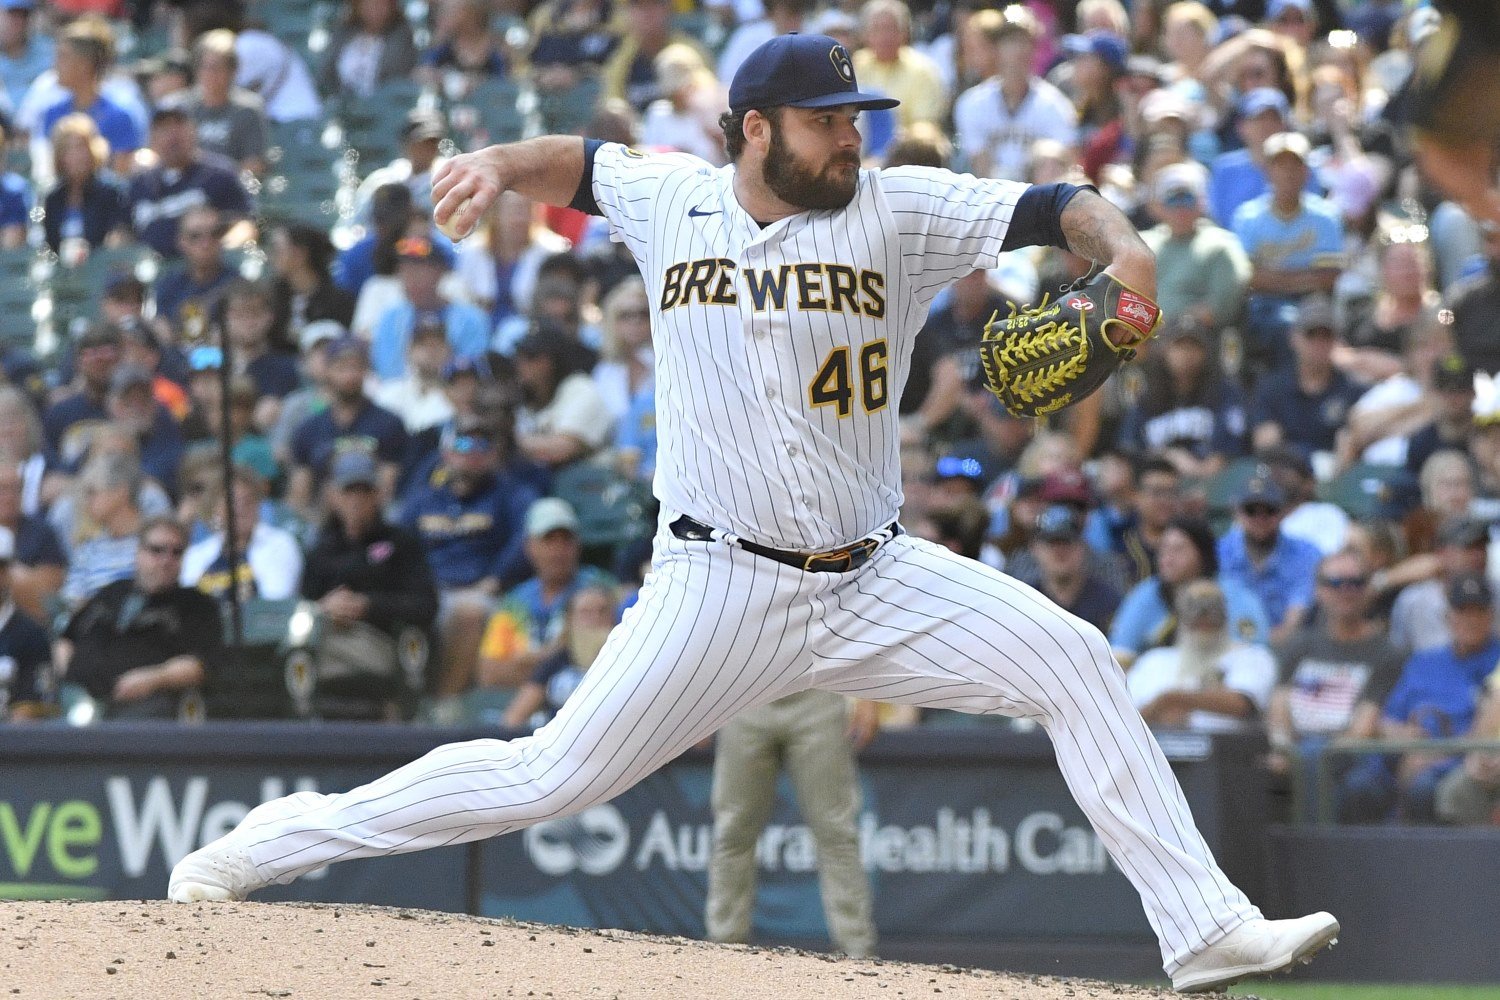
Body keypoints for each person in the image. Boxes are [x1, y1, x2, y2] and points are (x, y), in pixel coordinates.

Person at [170, 34, 1339, 992]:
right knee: (546, 777)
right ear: (755, 130)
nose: (853, 134)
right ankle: (264, 848)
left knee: (1076, 658)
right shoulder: (667, 194)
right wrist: (484, 158)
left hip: (875, 576)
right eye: (830, 118)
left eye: (857, 116)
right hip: (718, 585)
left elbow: (1056, 204)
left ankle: (1203, 929)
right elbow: (568, 159)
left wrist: (1126, 247)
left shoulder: (900, 208)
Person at [706, 688, 881, 958]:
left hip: (817, 693)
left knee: (836, 831)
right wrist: (699, 702)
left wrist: (868, 697)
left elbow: (862, 642)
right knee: (732, 830)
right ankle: (722, 946)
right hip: (746, 694)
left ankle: (857, 950)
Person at [400, 417, 544, 696]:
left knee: (468, 611)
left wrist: (497, 578)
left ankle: (446, 704)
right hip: (429, 590)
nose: (473, 451)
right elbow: (400, 544)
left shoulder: (508, 494)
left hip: (482, 590)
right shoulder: (424, 499)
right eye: (464, 442)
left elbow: (527, 535)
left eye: (483, 444)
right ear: (446, 452)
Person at [1344, 572, 1500, 824]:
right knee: (1359, 785)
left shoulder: (1496, 662)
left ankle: (1427, 863)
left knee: (1424, 788)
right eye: (1462, 611)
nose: (1470, 620)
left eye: (1478, 612)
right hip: (1405, 752)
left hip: (1458, 758)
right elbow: (1385, 720)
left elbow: (1484, 731)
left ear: (1491, 616)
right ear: (1448, 617)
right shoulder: (1424, 661)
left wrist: (1436, 755)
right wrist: (1398, 733)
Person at [1268, 548, 1404, 823]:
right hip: (1296, 751)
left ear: (1369, 590)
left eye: (1356, 583)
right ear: (1318, 590)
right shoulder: (1300, 645)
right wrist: (1282, 748)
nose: (1346, 591)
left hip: (1350, 758)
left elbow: (1364, 728)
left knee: (1350, 781)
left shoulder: (1386, 652)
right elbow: (1279, 707)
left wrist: (1308, 759)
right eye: (1335, 583)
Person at [299, 449, 438, 715]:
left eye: (364, 492)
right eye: (349, 492)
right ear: (334, 496)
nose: (356, 500)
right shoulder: (322, 548)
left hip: (381, 641)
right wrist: (325, 607)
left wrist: (366, 605)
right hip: (328, 632)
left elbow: (426, 605)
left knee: (309, 658)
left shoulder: (400, 543)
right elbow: (304, 603)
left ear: (378, 495)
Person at [55, 516, 221, 719]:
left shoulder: (196, 603)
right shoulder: (112, 592)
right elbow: (65, 640)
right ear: (138, 552)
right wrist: (69, 680)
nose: (166, 560)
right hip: (81, 703)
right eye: (157, 550)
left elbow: (199, 665)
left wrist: (153, 679)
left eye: (176, 553)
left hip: (147, 703)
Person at [475, 497, 615, 690]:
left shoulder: (600, 589)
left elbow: (597, 660)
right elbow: (489, 673)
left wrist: (525, 661)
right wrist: (555, 654)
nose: (558, 549)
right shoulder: (514, 602)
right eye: (548, 539)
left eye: (566, 539)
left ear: (578, 544)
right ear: (530, 546)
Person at [1112, 515, 1270, 667]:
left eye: (1178, 549)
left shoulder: (1233, 595)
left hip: (1222, 683)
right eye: (1164, 548)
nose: (1168, 557)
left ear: (1203, 554)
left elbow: (1254, 654)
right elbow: (1120, 655)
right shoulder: (1146, 594)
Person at [1127, 580, 1278, 733]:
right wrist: (1158, 711)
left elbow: (1242, 704)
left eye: (1211, 607)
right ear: (1179, 616)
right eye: (1193, 607)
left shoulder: (1251, 656)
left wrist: (1173, 699)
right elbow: (1125, 718)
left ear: (1225, 613)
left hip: (1230, 749)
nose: (1203, 617)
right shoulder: (1154, 661)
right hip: (1156, 748)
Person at [952, 6, 1077, 181]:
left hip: (1039, 198)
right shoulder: (971, 103)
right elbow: (980, 164)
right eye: (1010, 40)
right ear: (996, 48)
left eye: (1025, 41)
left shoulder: (1055, 105)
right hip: (988, 196)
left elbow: (1066, 164)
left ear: (1034, 48)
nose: (1019, 49)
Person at [286, 336, 407, 518]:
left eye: (356, 367)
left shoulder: (389, 423)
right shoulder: (309, 429)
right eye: (341, 368)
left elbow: (388, 486)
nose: (350, 376)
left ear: (366, 370)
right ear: (327, 371)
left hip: (375, 517)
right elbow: (299, 494)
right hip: (322, 519)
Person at [127, 104, 254, 258]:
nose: (172, 136)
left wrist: (224, 251)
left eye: (179, 126)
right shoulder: (140, 184)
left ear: (193, 131)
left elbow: (244, 223)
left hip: (207, 273)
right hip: (153, 273)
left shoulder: (218, 174)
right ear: (152, 139)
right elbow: (123, 235)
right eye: (164, 129)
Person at [1248, 298, 1364, 459]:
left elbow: (1355, 441)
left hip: (1336, 473)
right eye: (1311, 335)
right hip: (1287, 472)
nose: (1318, 343)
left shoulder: (1352, 389)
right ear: (1293, 338)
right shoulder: (1273, 388)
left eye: (1326, 336)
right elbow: (1265, 442)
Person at [1217, 475, 1323, 646]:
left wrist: (1256, 646)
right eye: (1251, 510)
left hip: (1286, 648)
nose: (1260, 518)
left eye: (1269, 510)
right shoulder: (1219, 552)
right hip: (1228, 646)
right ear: (1237, 513)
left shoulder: (1305, 554)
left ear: (1283, 512)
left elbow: (1293, 625)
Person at [370, 236, 490, 381]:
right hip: (401, 396)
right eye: (404, 270)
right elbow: (387, 372)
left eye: (418, 270)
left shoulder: (471, 319)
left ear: (439, 272)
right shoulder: (392, 317)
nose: (411, 279)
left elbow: (474, 373)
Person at [500, 582, 618, 730]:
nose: (595, 619)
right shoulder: (557, 661)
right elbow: (514, 718)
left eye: (603, 611)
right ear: (569, 620)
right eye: (585, 613)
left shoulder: (625, 658)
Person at [180, 466, 302, 601]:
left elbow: (275, 601)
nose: (240, 508)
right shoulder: (196, 554)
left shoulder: (280, 544)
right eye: (232, 502)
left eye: (247, 501)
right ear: (214, 507)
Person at [178, 29, 268, 175]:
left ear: (232, 71)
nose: (210, 74)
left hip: (228, 189)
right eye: (205, 67)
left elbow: (253, 165)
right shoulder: (180, 108)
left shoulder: (248, 110)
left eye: (217, 68)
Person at [43, 111, 129, 255]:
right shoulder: (53, 198)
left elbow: (118, 237)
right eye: (68, 149)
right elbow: (49, 246)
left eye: (81, 147)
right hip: (63, 274)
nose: (77, 156)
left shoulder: (111, 192)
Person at [1028, 503, 1123, 627]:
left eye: (1067, 542)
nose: (1060, 551)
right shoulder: (1026, 601)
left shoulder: (1108, 602)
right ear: (1034, 549)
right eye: (1051, 543)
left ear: (1082, 546)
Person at [0, 525, 56, 720]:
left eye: (1, 569)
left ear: (9, 573)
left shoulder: (31, 634)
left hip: (10, 743)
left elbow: (36, 705)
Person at [317, 0, 418, 98]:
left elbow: (396, 80)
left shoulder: (402, 37)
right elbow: (326, 74)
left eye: (381, 4)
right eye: (369, 3)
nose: (375, 9)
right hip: (340, 105)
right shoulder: (343, 33)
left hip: (383, 108)